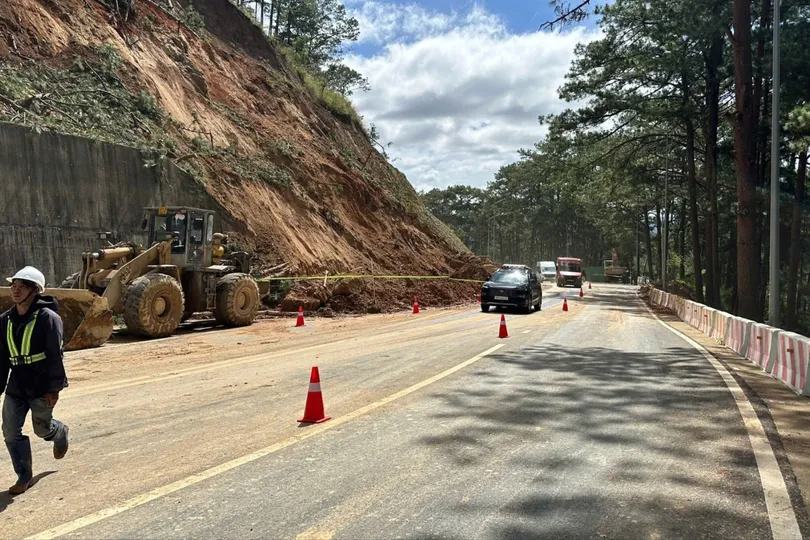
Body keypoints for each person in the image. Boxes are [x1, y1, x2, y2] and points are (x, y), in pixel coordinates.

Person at [1, 266, 69, 495]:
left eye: (22, 286)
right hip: (17, 386)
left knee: (42, 430)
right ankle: (24, 476)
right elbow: (2, 358)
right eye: (14, 285)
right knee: (10, 431)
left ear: (35, 291)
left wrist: (54, 388)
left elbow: (54, 355)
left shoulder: (48, 318)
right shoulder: (5, 321)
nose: (16, 290)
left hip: (41, 385)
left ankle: (59, 432)